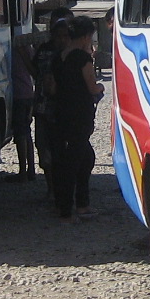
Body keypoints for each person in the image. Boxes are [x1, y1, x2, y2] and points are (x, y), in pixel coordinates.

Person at [49, 15, 105, 223]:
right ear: (86, 36)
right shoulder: (82, 59)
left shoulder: (59, 57)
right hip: (79, 114)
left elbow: (52, 87)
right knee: (75, 162)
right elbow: (92, 86)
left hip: (62, 112)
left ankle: (80, 204)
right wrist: (101, 87)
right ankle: (68, 209)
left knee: (83, 157)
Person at [31, 14, 71, 195]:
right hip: (44, 107)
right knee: (45, 147)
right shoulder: (46, 52)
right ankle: (52, 188)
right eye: (59, 36)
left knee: (59, 149)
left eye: (65, 36)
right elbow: (36, 72)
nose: (61, 40)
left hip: (61, 109)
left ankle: (59, 188)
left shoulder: (70, 53)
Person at [8, 29, 36, 181]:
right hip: (28, 93)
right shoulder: (28, 49)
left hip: (19, 95)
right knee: (26, 132)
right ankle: (30, 169)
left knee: (20, 133)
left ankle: (23, 171)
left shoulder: (14, 50)